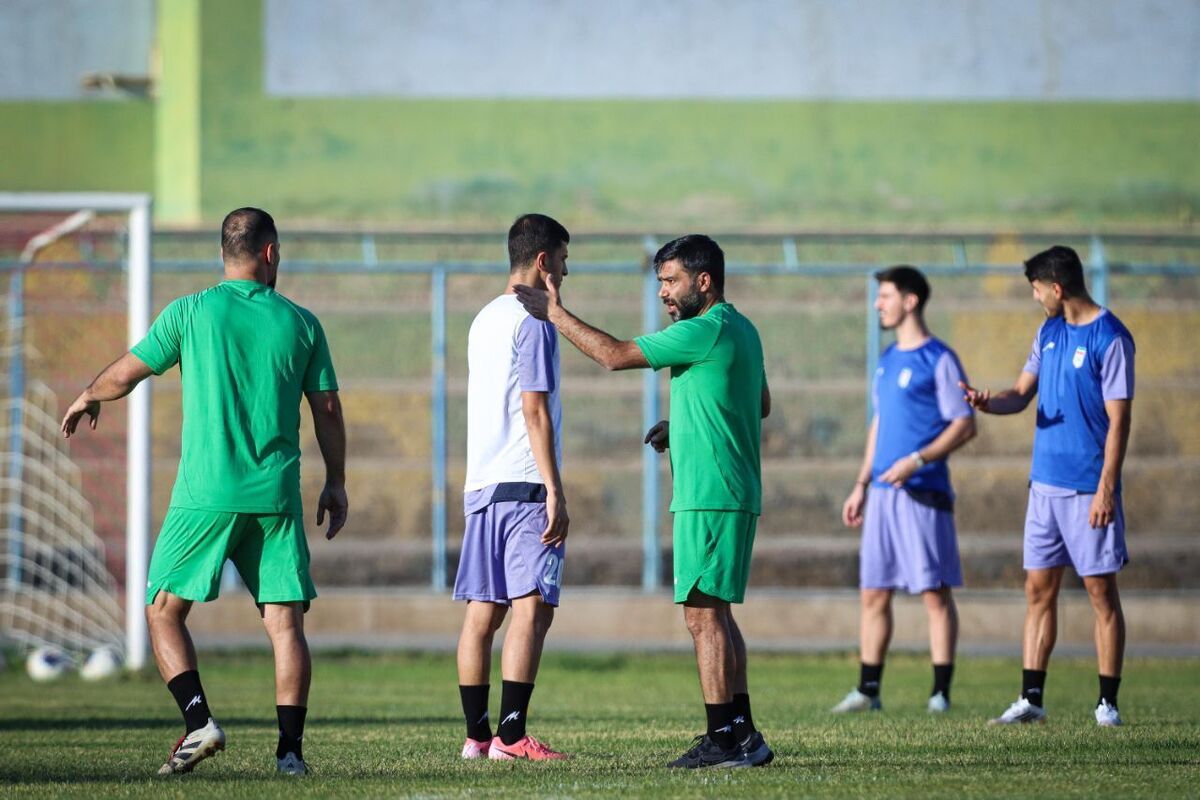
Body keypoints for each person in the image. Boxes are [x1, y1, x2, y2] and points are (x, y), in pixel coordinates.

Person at [60, 208, 347, 775]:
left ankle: (199, 722)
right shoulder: (302, 323)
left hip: (205, 494)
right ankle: (290, 754)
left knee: (163, 611)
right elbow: (328, 410)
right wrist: (336, 481)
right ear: (270, 253)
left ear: (223, 254)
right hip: (275, 497)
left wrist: (89, 394)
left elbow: (129, 371)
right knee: (285, 625)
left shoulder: (190, 312)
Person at [515, 234, 772, 769]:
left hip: (709, 495)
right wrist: (684, 426)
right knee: (717, 613)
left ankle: (722, 740)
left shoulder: (701, 329)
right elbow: (759, 401)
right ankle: (745, 735)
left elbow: (614, 356)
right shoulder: (742, 328)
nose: (663, 293)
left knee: (702, 616)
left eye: (672, 281)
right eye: (660, 282)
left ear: (705, 281)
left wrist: (555, 313)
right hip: (731, 491)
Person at [961, 245, 1133, 727]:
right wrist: (987, 401)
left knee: (1100, 592)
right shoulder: (1048, 332)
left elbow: (1120, 422)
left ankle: (1107, 703)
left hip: (1088, 490)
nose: (1035, 298)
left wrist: (1106, 489)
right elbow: (1020, 394)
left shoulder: (1111, 338)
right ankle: (1031, 699)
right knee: (1038, 590)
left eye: (1037, 290)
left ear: (1057, 288)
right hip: (1044, 489)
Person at [453, 214, 571, 761]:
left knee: (482, 615)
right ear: (543, 262)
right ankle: (512, 735)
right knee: (532, 608)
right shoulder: (535, 319)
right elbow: (534, 409)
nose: (565, 274)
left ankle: (478, 737)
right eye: (563, 262)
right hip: (525, 484)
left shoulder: (483, 318)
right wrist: (555, 489)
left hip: (482, 485)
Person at [834, 266, 976, 715]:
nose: (878, 304)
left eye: (886, 296)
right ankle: (868, 691)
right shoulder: (888, 358)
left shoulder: (939, 358)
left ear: (910, 301)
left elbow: (964, 424)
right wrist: (861, 483)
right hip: (881, 495)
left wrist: (918, 459)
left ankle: (940, 694)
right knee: (874, 592)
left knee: (934, 593)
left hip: (923, 494)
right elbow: (879, 425)